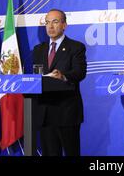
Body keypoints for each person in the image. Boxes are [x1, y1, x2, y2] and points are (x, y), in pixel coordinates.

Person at [33, 9, 87, 156]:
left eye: (55, 22)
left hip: (66, 112)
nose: (50, 26)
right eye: (47, 22)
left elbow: (79, 73)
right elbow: (34, 77)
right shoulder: (38, 49)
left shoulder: (76, 47)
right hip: (45, 112)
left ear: (64, 25)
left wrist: (63, 76)